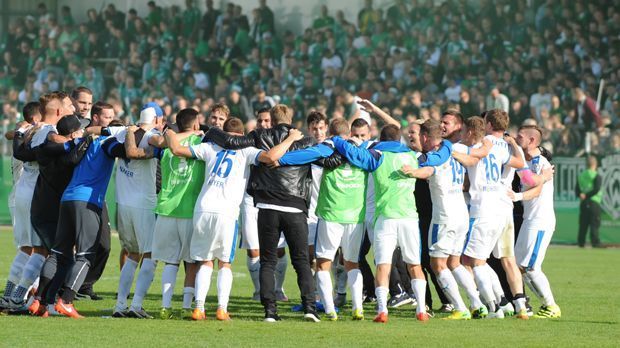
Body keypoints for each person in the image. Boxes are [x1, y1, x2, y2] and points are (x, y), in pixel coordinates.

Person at [166, 117, 302, 321]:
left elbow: (176, 149)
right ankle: (221, 309)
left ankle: (199, 308)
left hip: (203, 210)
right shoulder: (246, 150)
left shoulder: (210, 147)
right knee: (224, 263)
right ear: (242, 135)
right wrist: (290, 138)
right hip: (227, 212)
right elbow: (271, 156)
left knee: (205, 261)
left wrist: (168, 132)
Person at [202, 104, 320, 323]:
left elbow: (232, 142)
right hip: (295, 207)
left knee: (267, 261)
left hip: (266, 207)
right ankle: (310, 309)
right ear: (290, 119)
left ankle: (270, 312)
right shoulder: (305, 141)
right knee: (302, 261)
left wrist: (208, 131)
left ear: (272, 121)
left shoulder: (258, 136)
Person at [330, 124, 452, 323]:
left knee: (383, 265)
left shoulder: (378, 157)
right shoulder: (414, 157)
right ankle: (421, 309)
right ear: (399, 139)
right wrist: (446, 142)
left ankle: (382, 311)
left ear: (381, 139)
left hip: (385, 218)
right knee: (414, 265)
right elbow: (441, 157)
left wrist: (336, 139)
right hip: (409, 218)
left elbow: (351, 153)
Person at [401, 119, 479, 320]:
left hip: (443, 217)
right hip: (461, 214)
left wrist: (412, 172)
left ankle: (460, 308)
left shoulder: (435, 156)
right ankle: (477, 303)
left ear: (425, 137)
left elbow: (429, 170)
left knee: (437, 265)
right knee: (454, 262)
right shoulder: (454, 152)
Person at [453, 109, 524, 319]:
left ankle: (493, 308)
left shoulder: (473, 147)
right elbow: (521, 164)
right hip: (499, 210)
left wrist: (453, 153)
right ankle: (504, 303)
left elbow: (472, 160)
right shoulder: (499, 148)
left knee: (472, 262)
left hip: (481, 208)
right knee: (480, 260)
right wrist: (514, 145)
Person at [146, 108, 205, 320]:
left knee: (171, 261)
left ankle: (165, 306)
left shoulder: (167, 144)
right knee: (192, 262)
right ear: (196, 124)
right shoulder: (202, 144)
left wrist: (172, 133)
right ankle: (187, 307)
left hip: (166, 209)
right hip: (189, 211)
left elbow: (157, 141)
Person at [113, 103, 165, 319]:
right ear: (158, 119)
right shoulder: (152, 134)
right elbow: (161, 142)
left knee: (133, 254)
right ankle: (136, 304)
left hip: (122, 203)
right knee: (151, 255)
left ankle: (120, 305)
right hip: (144, 204)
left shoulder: (122, 133)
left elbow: (99, 130)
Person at [510, 125, 561, 318]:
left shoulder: (542, 164)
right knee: (518, 266)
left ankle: (551, 306)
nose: (516, 138)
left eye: (520, 136)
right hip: (528, 220)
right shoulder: (525, 162)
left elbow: (535, 186)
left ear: (532, 141)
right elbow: (530, 178)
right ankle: (529, 306)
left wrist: (517, 196)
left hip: (540, 221)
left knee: (531, 267)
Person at [0, 102, 41, 309]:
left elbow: (13, 131)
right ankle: (18, 295)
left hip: (21, 196)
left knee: (30, 248)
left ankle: (16, 295)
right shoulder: (28, 135)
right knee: (31, 248)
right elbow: (15, 130)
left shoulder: (21, 132)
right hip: (24, 196)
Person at [576, 156, 602, 248]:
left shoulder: (581, 176)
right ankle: (595, 243)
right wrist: (588, 195)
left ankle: (581, 243)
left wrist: (582, 195)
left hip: (583, 203)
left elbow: (577, 190)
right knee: (594, 224)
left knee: (583, 224)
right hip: (594, 202)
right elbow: (597, 189)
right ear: (595, 164)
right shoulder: (596, 176)